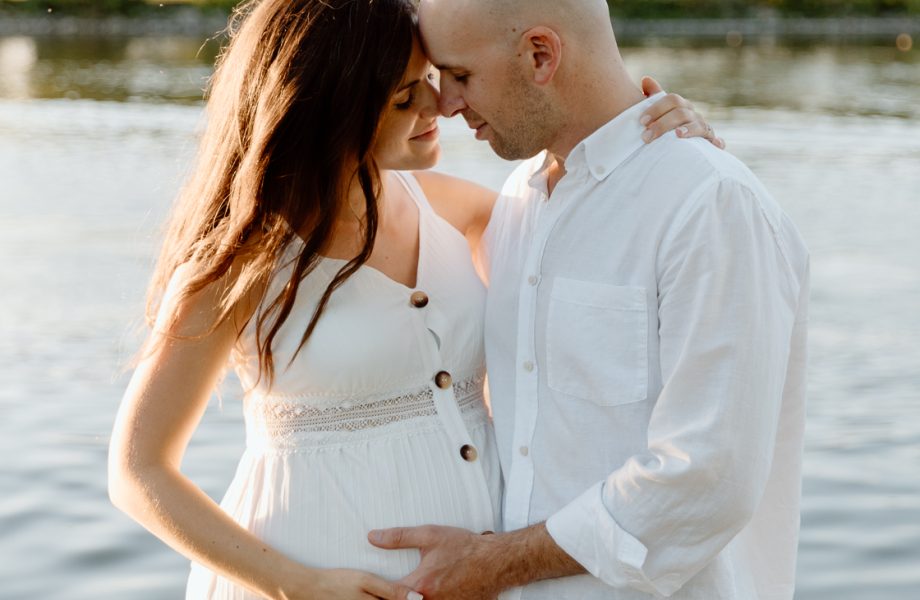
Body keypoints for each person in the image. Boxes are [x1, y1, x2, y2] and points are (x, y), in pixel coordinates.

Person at [107, 0, 717, 598]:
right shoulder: (241, 261)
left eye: (428, 79)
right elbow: (138, 470)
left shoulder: (459, 209)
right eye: (404, 96)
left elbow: (601, 223)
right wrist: (295, 584)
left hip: (477, 578)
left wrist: (663, 142)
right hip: (305, 576)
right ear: (329, 111)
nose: (440, 106)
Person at [368, 1, 810, 599]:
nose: (444, 103)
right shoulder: (520, 201)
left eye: (461, 76)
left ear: (540, 55)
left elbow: (707, 477)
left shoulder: (710, 204)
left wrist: (492, 564)